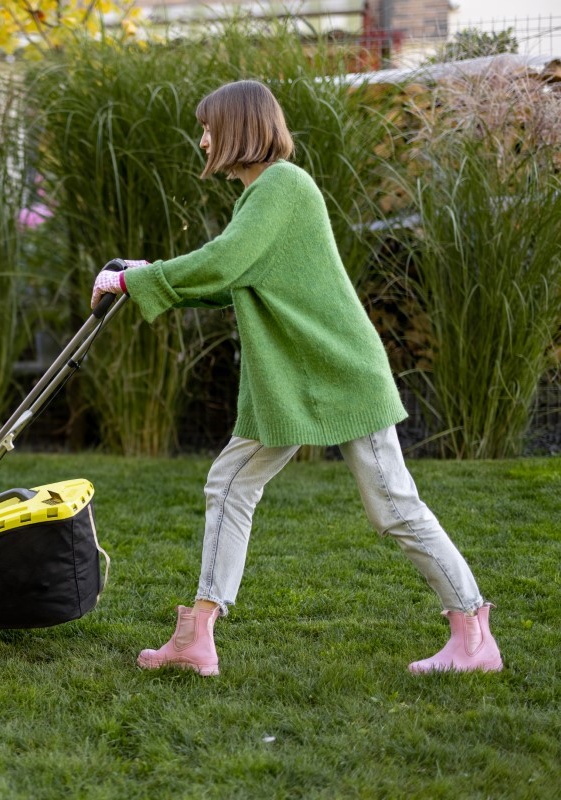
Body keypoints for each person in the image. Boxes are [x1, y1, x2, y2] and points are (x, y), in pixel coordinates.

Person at [89, 80, 502, 677]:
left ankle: (472, 635)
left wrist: (132, 282)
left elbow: (226, 262)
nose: (202, 139)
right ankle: (197, 635)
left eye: (209, 128)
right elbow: (235, 276)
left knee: (393, 507)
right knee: (230, 485)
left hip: (338, 370)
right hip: (295, 377)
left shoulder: (282, 185)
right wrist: (152, 273)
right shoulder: (261, 195)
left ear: (237, 131)